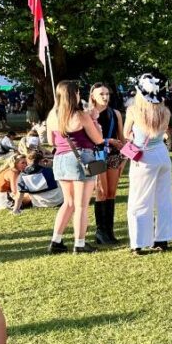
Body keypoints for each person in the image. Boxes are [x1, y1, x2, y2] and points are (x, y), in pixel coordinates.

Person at [46, 80, 106, 254]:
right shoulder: (81, 115)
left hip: (60, 159)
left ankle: (56, 240)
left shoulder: (52, 115)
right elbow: (98, 139)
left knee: (69, 203)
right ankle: (79, 243)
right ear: (74, 94)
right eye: (78, 92)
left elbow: (51, 141)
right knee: (81, 205)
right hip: (81, 158)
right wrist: (94, 119)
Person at [124, 74, 172, 255]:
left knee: (139, 201)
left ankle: (138, 242)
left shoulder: (133, 111)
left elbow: (125, 134)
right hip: (162, 155)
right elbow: (162, 133)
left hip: (144, 157)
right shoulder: (165, 112)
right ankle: (163, 239)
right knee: (163, 199)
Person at [88, 83, 125, 245]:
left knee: (111, 192)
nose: (105, 97)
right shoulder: (87, 114)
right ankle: (100, 231)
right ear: (93, 96)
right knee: (101, 192)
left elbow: (122, 138)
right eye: (101, 94)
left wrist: (125, 157)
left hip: (114, 156)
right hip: (95, 156)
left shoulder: (115, 113)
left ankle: (109, 231)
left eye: (107, 94)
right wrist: (107, 141)